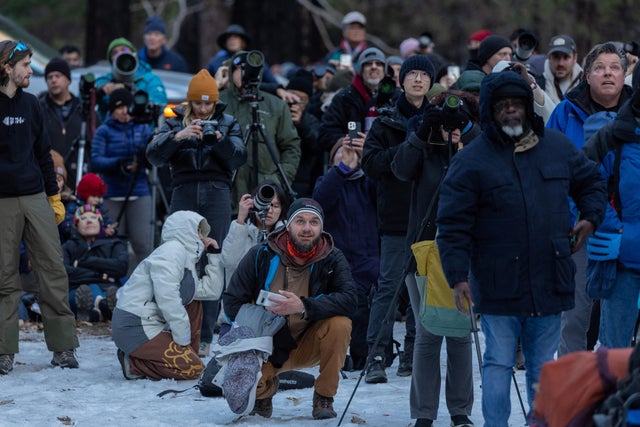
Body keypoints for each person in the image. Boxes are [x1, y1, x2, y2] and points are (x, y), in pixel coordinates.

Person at [436, 71, 607, 426]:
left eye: (517, 104)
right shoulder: (471, 161)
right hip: (498, 284)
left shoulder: (557, 147)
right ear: (489, 111)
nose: (511, 112)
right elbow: (452, 225)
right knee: (498, 362)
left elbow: (591, 180)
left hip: (550, 277)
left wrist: (590, 217)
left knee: (543, 367)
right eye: (503, 106)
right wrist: (456, 276)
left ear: (529, 109)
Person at [222, 198, 357, 419]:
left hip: (309, 340)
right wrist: (264, 319)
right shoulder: (260, 255)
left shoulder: (332, 257)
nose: (307, 228)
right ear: (288, 225)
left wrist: (303, 306)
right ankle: (264, 394)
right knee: (245, 387)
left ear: (321, 228)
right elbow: (231, 302)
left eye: (314, 222)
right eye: (300, 221)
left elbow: (350, 300)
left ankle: (324, 396)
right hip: (267, 344)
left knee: (340, 324)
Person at [391, 92, 478, 427]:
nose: (450, 127)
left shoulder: (475, 149)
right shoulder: (424, 149)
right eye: (444, 120)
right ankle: (424, 414)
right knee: (427, 332)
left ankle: (460, 412)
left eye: (458, 121)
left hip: (464, 251)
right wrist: (422, 131)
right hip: (423, 250)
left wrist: (466, 133)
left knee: (459, 333)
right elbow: (399, 169)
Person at [146, 68, 247, 356]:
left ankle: (204, 336)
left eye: (209, 103)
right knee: (178, 260)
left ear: (215, 102)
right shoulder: (172, 121)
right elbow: (152, 155)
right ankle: (178, 327)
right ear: (189, 102)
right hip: (184, 191)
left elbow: (240, 156)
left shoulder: (227, 122)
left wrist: (219, 140)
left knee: (212, 261)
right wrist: (178, 137)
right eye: (198, 103)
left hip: (217, 193)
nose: (203, 109)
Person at [548, 41, 632, 356]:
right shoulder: (564, 113)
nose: (607, 73)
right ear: (586, 75)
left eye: (614, 68)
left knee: (620, 322)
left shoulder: (636, 114)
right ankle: (572, 391)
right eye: (599, 68)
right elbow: (551, 169)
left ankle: (617, 391)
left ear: (625, 75)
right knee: (574, 317)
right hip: (577, 228)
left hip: (629, 232)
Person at [0, 40, 79, 374]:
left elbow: (44, 154)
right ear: (7, 68)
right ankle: (4, 351)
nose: (31, 71)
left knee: (53, 271)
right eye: (26, 65)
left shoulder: (32, 104)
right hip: (2, 202)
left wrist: (54, 198)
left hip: (35, 198)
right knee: (4, 278)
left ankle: (63, 347)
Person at [361, 55, 436, 383]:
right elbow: (371, 164)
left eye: (424, 75)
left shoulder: (439, 118)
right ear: (401, 80)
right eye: (412, 74)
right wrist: (407, 149)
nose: (418, 80)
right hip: (394, 216)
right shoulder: (386, 120)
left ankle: (412, 352)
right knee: (389, 287)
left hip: (430, 216)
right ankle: (376, 356)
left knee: (424, 289)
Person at [111, 210, 224, 380]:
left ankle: (184, 355)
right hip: (134, 325)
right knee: (194, 369)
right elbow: (167, 297)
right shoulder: (172, 251)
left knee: (195, 301)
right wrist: (182, 339)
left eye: (202, 232)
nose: (202, 237)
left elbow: (211, 292)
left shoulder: (186, 259)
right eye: (198, 231)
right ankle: (134, 364)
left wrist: (214, 255)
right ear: (185, 230)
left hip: (148, 323)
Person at [583, 63, 640, 348]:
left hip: (625, 248)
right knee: (614, 359)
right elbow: (583, 181)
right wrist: (611, 228)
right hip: (621, 267)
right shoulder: (613, 134)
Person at [313, 136, 378, 372]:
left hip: (367, 258)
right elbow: (319, 202)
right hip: (336, 261)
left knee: (363, 309)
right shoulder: (327, 181)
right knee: (339, 309)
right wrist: (341, 171)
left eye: (352, 152)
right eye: (341, 152)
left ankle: (364, 355)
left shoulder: (368, 182)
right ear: (332, 160)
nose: (347, 156)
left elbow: (384, 194)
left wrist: (369, 157)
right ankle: (335, 353)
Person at [218, 50, 301, 209]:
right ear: (231, 72)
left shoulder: (275, 105)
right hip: (228, 194)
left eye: (248, 70)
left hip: (266, 196)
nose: (244, 74)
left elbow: (291, 146)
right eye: (238, 69)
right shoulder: (218, 103)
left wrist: (280, 181)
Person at [90, 88, 154, 265]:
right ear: (111, 110)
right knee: (115, 243)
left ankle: (145, 286)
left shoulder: (142, 128)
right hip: (112, 193)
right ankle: (116, 286)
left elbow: (153, 156)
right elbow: (96, 160)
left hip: (139, 191)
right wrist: (117, 163)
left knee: (142, 243)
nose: (125, 111)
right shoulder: (104, 131)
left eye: (127, 106)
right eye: (119, 107)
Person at [63, 204, 128, 322]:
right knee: (85, 291)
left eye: (93, 218)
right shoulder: (68, 246)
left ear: (100, 223)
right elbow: (64, 271)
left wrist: (87, 262)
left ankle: (95, 313)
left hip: (109, 289)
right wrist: (99, 275)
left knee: (113, 294)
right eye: (83, 218)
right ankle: (104, 307)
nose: (89, 221)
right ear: (76, 226)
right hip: (77, 290)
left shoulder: (114, 243)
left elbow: (121, 267)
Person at [319, 47, 389, 150]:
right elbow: (326, 133)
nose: (374, 67)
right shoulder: (344, 98)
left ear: (384, 70)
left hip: (385, 157)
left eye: (378, 64)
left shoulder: (395, 97)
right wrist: (348, 142)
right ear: (360, 69)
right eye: (368, 64)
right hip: (352, 155)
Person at [95, 37, 167, 122]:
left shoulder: (149, 79)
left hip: (143, 132)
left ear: (134, 54)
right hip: (110, 133)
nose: (120, 54)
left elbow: (159, 105)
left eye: (124, 50)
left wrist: (135, 96)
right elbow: (83, 100)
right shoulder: (104, 81)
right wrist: (101, 91)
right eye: (115, 53)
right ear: (111, 60)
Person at [38, 57, 85, 190]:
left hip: (78, 178)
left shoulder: (83, 109)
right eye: (49, 77)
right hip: (48, 180)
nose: (53, 80)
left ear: (68, 80)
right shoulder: (38, 109)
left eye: (57, 76)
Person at [287, 69, 324, 198]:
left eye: (301, 99)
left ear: (308, 101)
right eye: (292, 96)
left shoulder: (312, 121)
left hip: (303, 182)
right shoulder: (275, 117)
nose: (295, 102)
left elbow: (316, 145)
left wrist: (301, 125)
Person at [206, 24, 278, 84]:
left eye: (236, 37)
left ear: (243, 42)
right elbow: (205, 83)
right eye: (229, 38)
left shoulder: (253, 59)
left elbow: (271, 82)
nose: (232, 40)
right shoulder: (216, 61)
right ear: (225, 42)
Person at [537, 35, 583, 107]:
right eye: (556, 57)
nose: (561, 63)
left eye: (566, 57)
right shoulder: (538, 85)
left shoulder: (585, 84)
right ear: (549, 57)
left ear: (575, 58)